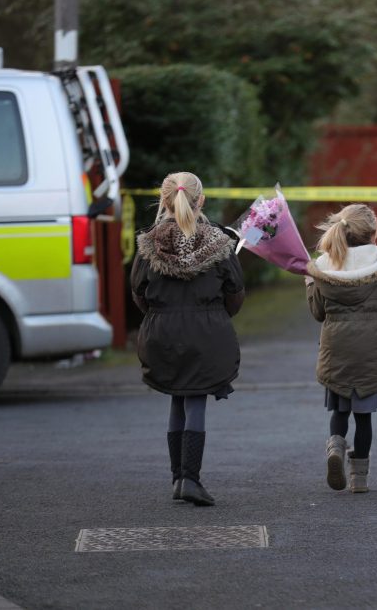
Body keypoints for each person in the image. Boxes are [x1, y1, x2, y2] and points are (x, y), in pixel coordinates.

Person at [130, 172, 245, 507]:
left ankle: (179, 478)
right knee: (194, 400)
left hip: (161, 335)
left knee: (177, 399)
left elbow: (139, 293)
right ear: (202, 201)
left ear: (163, 201)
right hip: (206, 333)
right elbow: (235, 293)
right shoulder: (220, 243)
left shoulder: (148, 244)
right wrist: (214, 317)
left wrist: (160, 317)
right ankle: (191, 479)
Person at [306, 204, 377, 494]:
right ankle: (359, 479)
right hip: (372, 351)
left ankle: (335, 448)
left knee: (339, 411)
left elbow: (318, 312)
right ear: (374, 234)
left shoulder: (324, 268)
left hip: (336, 352)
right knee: (364, 418)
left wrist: (309, 283)